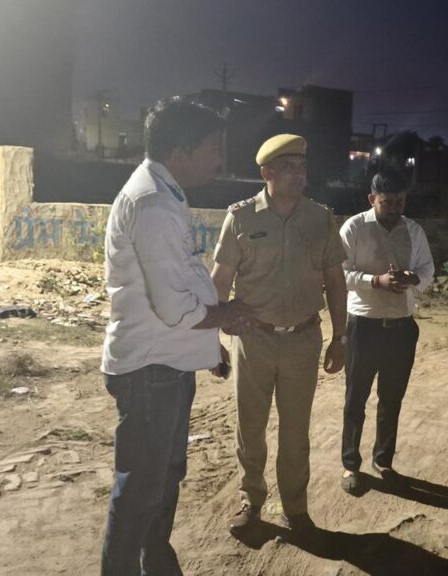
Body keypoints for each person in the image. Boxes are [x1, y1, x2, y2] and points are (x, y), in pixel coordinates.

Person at [100, 97, 255, 575]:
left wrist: (210, 344)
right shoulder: (152, 204)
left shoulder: (164, 194)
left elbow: (182, 282)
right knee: (141, 490)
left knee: (162, 481)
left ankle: (157, 564)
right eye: (213, 148)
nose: (219, 160)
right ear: (181, 151)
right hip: (152, 371)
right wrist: (225, 314)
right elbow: (173, 307)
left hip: (166, 366)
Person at [211, 134, 348, 535]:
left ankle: (295, 508)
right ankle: (251, 500)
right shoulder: (241, 218)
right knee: (250, 427)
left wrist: (340, 337)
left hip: (303, 339)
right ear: (266, 173)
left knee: (296, 430)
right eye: (288, 167)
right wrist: (212, 336)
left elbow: (335, 282)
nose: (298, 174)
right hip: (254, 339)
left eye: (302, 167)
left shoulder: (320, 219)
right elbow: (220, 279)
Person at [338, 171, 435, 493]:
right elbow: (339, 273)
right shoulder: (354, 228)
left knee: (391, 399)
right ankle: (350, 465)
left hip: (401, 329)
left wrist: (412, 279)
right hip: (363, 327)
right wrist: (376, 281)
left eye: (400, 202)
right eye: (387, 202)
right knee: (355, 399)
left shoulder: (413, 230)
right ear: (372, 199)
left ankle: (383, 461)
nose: (394, 209)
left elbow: (427, 271)